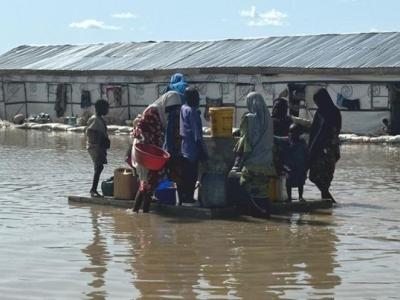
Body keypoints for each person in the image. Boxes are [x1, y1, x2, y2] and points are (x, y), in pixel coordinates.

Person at [131, 91, 181, 213]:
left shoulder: (162, 114)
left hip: (155, 155)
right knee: (146, 184)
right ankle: (138, 212)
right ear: (166, 104)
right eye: (171, 109)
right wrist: (140, 136)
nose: (171, 113)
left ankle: (140, 213)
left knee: (149, 184)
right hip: (145, 153)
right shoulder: (152, 112)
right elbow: (140, 128)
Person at [231, 92, 276, 216]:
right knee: (263, 191)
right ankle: (265, 213)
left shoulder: (248, 119)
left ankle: (255, 216)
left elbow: (245, 141)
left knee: (249, 189)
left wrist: (237, 162)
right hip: (267, 164)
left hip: (253, 163)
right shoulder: (269, 119)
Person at [308, 88, 342, 203]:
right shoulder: (333, 111)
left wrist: (311, 149)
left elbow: (318, 132)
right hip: (331, 149)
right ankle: (328, 206)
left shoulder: (324, 113)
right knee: (324, 178)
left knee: (315, 176)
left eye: (317, 102)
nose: (317, 104)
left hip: (323, 149)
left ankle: (329, 201)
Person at [179, 87, 208, 204]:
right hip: (192, 149)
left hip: (184, 147)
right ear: (192, 99)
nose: (198, 101)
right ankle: (189, 199)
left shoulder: (183, 108)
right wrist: (203, 152)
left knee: (185, 176)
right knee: (192, 176)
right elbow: (197, 135)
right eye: (197, 98)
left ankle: (183, 198)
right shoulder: (192, 111)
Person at [275, 124, 308, 202]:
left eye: (294, 132)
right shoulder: (286, 141)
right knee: (288, 183)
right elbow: (276, 139)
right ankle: (289, 197)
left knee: (301, 183)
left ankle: (300, 197)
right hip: (288, 167)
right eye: (290, 132)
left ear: (299, 134)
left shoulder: (302, 143)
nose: (292, 134)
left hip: (300, 167)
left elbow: (307, 155)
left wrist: (306, 167)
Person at [85, 99, 110, 198]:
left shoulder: (99, 119)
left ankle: (93, 189)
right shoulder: (95, 119)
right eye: (106, 108)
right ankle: (93, 190)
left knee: (99, 167)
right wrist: (101, 140)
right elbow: (91, 132)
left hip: (99, 147)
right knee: (99, 167)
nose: (107, 110)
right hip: (95, 147)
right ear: (101, 109)